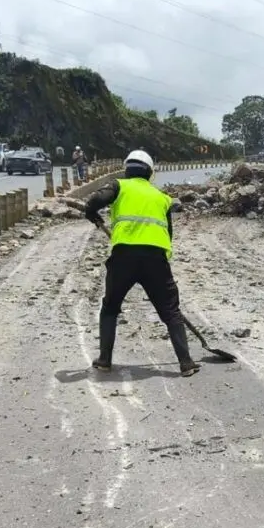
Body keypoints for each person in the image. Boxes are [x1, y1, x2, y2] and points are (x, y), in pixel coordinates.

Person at [83, 149, 200, 376]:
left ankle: (104, 360)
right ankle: (186, 363)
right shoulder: (162, 197)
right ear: (150, 173)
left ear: (127, 170)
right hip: (155, 259)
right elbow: (168, 233)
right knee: (171, 312)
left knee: (110, 308)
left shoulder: (119, 186)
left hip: (124, 256)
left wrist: (91, 213)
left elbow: (96, 200)